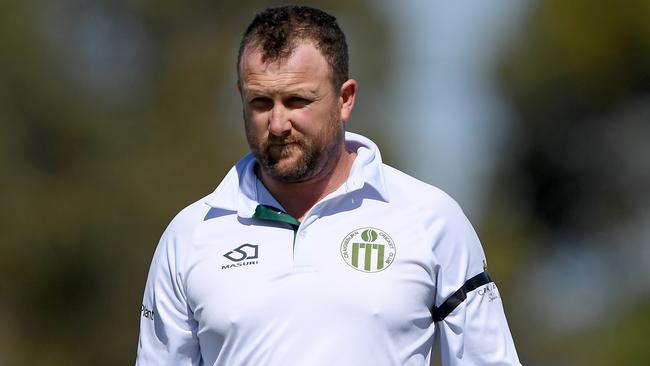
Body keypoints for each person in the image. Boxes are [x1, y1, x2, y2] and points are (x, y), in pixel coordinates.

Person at [136, 5, 521, 366]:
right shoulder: (188, 235)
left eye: (297, 100)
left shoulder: (432, 219)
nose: (277, 124)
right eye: (260, 102)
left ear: (344, 99)